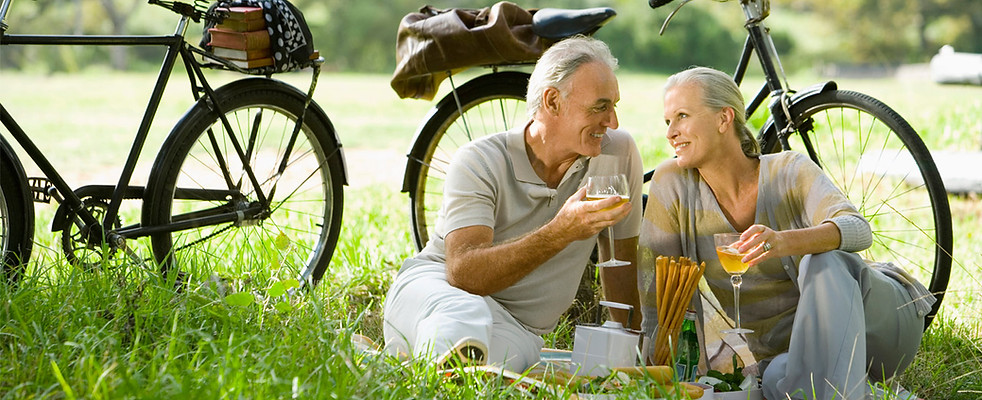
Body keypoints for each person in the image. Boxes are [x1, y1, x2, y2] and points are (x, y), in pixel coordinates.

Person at [638, 66, 933, 399]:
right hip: (799, 355)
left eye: (682, 116)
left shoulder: (788, 170)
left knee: (822, 262)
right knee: (782, 380)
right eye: (667, 121)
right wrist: (649, 367)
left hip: (876, 326)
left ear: (724, 119)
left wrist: (782, 242)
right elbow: (655, 291)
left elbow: (859, 230)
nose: (670, 133)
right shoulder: (674, 184)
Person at [382, 36, 644, 372]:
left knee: (493, 368)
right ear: (552, 101)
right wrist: (561, 231)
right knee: (464, 316)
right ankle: (426, 366)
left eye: (614, 106)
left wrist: (637, 350)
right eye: (599, 107)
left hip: (519, 328)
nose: (613, 122)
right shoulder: (479, 161)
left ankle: (404, 364)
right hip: (437, 292)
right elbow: (464, 275)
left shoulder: (616, 153)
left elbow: (620, 261)